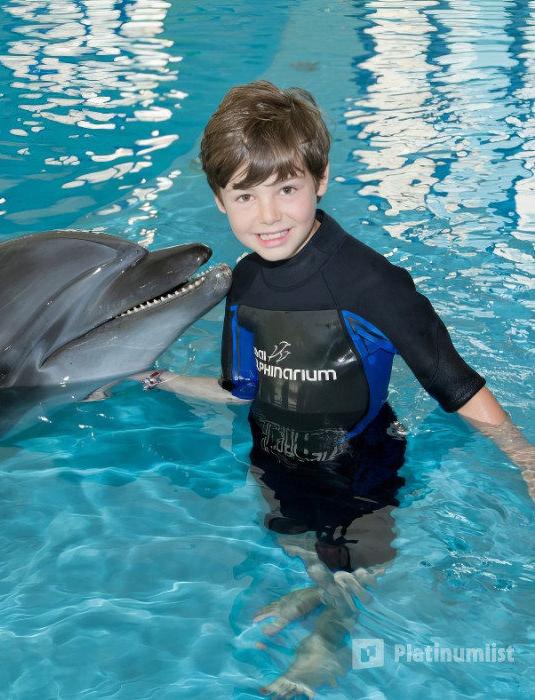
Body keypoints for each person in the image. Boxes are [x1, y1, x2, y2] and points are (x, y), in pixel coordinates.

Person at [136, 80, 535, 699]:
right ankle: (318, 589)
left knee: (361, 565)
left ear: (320, 180)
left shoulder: (371, 283)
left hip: (359, 461)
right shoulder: (244, 285)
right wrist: (153, 378)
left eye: (286, 189)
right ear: (220, 200)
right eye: (245, 196)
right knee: (301, 545)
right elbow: (242, 389)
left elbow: (452, 383)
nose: (268, 217)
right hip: (274, 457)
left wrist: (524, 458)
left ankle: (329, 643)